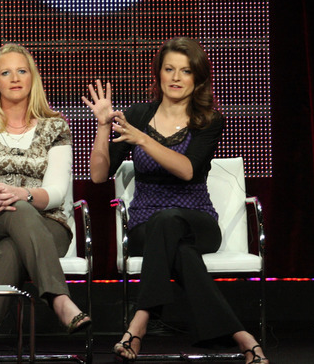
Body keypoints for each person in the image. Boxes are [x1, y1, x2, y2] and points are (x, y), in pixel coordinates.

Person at [84, 37, 268, 364]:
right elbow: (99, 176)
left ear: (197, 78)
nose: (176, 77)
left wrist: (142, 138)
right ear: (158, 74)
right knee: (176, 246)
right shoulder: (139, 114)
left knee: (170, 221)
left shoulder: (209, 121)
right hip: (145, 226)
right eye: (169, 69)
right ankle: (245, 338)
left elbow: (186, 170)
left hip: (198, 222)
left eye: (185, 71)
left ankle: (139, 321)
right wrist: (102, 127)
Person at [0, 44, 91, 364]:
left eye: (21, 71)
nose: (14, 78)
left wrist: (20, 194)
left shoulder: (56, 127)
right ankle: (59, 298)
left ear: (32, 77)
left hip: (47, 224)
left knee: (12, 246)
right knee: (16, 208)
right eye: (5, 72)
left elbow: (56, 192)